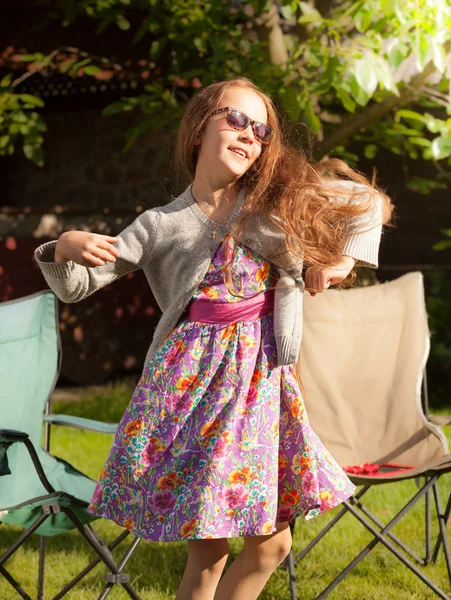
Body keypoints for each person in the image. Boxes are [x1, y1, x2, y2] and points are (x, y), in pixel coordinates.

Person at [34, 76, 394, 600]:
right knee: (209, 548)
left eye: (262, 130)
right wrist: (62, 247)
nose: (250, 134)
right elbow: (78, 287)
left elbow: (368, 202)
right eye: (237, 119)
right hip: (194, 389)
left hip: (262, 384)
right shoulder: (162, 224)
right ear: (199, 127)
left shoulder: (276, 204)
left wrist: (338, 262)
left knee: (272, 545)